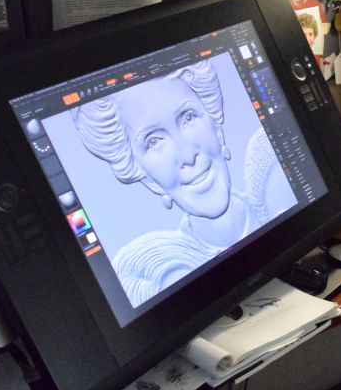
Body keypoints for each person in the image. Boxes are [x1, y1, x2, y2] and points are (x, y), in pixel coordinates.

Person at [72, 60, 281, 306]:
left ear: (216, 124)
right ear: (147, 177)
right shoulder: (161, 265)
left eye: (188, 117)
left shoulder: (271, 185)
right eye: (153, 141)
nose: (187, 155)